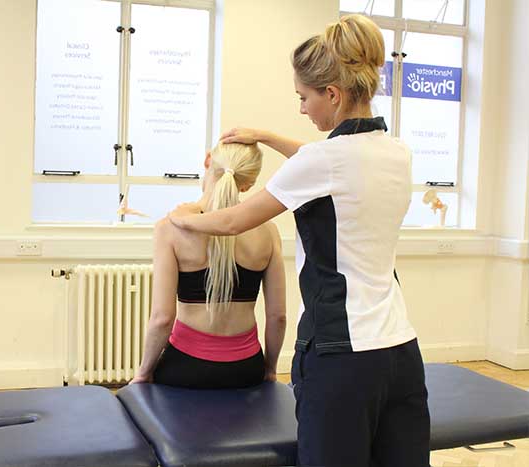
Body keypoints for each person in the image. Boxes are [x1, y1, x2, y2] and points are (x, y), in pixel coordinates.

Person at [169, 13, 430, 467]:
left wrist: (183, 220)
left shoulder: (324, 162)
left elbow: (233, 221)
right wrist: (267, 137)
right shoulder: (397, 152)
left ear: (332, 93)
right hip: (401, 353)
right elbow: (327, 161)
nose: (302, 108)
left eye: (304, 97)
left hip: (342, 358)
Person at [129, 142, 287, 389]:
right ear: (248, 183)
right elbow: (278, 317)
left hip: (185, 366)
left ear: (207, 160)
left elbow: (162, 318)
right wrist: (269, 370)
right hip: (246, 368)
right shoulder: (268, 232)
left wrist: (143, 372)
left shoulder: (169, 228)